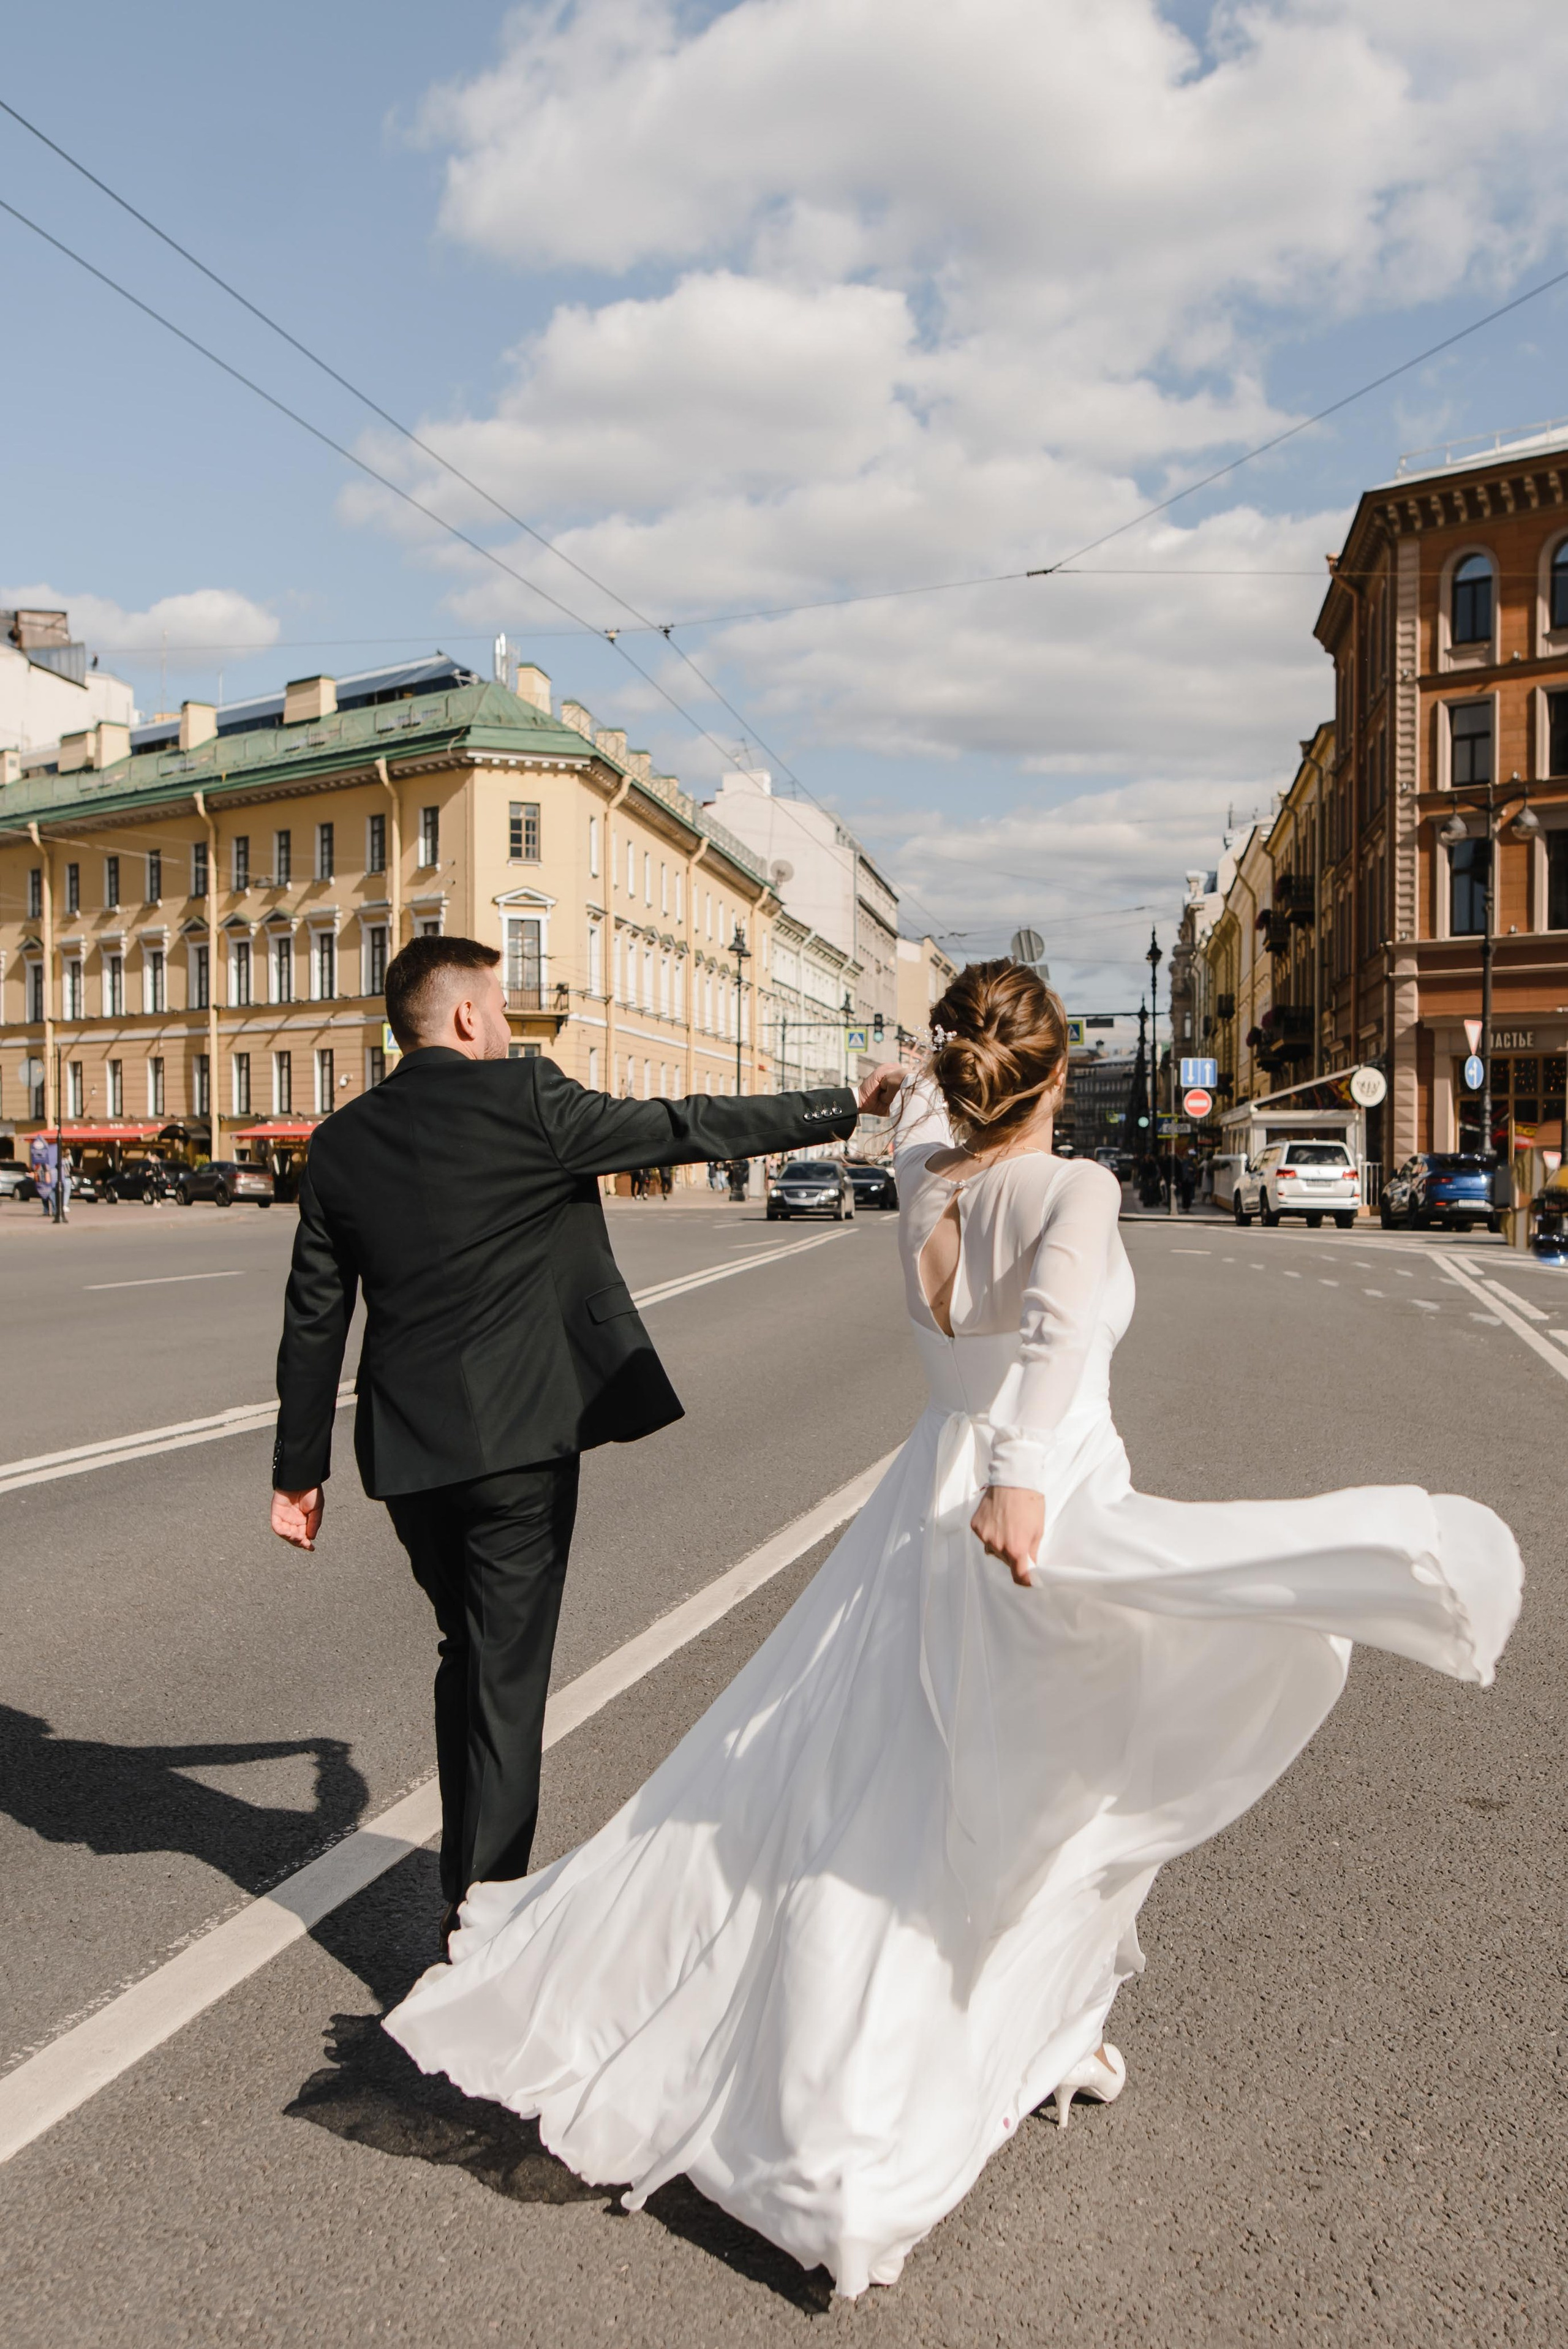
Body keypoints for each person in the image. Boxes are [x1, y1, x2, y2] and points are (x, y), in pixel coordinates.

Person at [385, 957, 1521, 2299]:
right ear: (1053, 1075)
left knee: (901, 1788)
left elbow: (926, 1122)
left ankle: (1048, 2029)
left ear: (967, 1068)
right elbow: (1046, 1343)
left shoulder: (926, 1174)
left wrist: (904, 1080)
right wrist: (1025, 1478)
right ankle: (901, 2099)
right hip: (1028, 1512)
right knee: (1063, 1784)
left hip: (915, 1509)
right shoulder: (1071, 1187)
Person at [271, 934, 904, 1952]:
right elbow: (685, 1126)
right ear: (471, 1018)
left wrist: (298, 1473)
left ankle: (472, 1886)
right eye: (502, 1006)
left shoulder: (342, 1141)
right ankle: (482, 1917)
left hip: (411, 1456)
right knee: (505, 1677)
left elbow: (313, 1318)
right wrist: (845, 1105)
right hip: (520, 1442)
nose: (511, 1022)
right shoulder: (526, 1098)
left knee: (466, 1653)